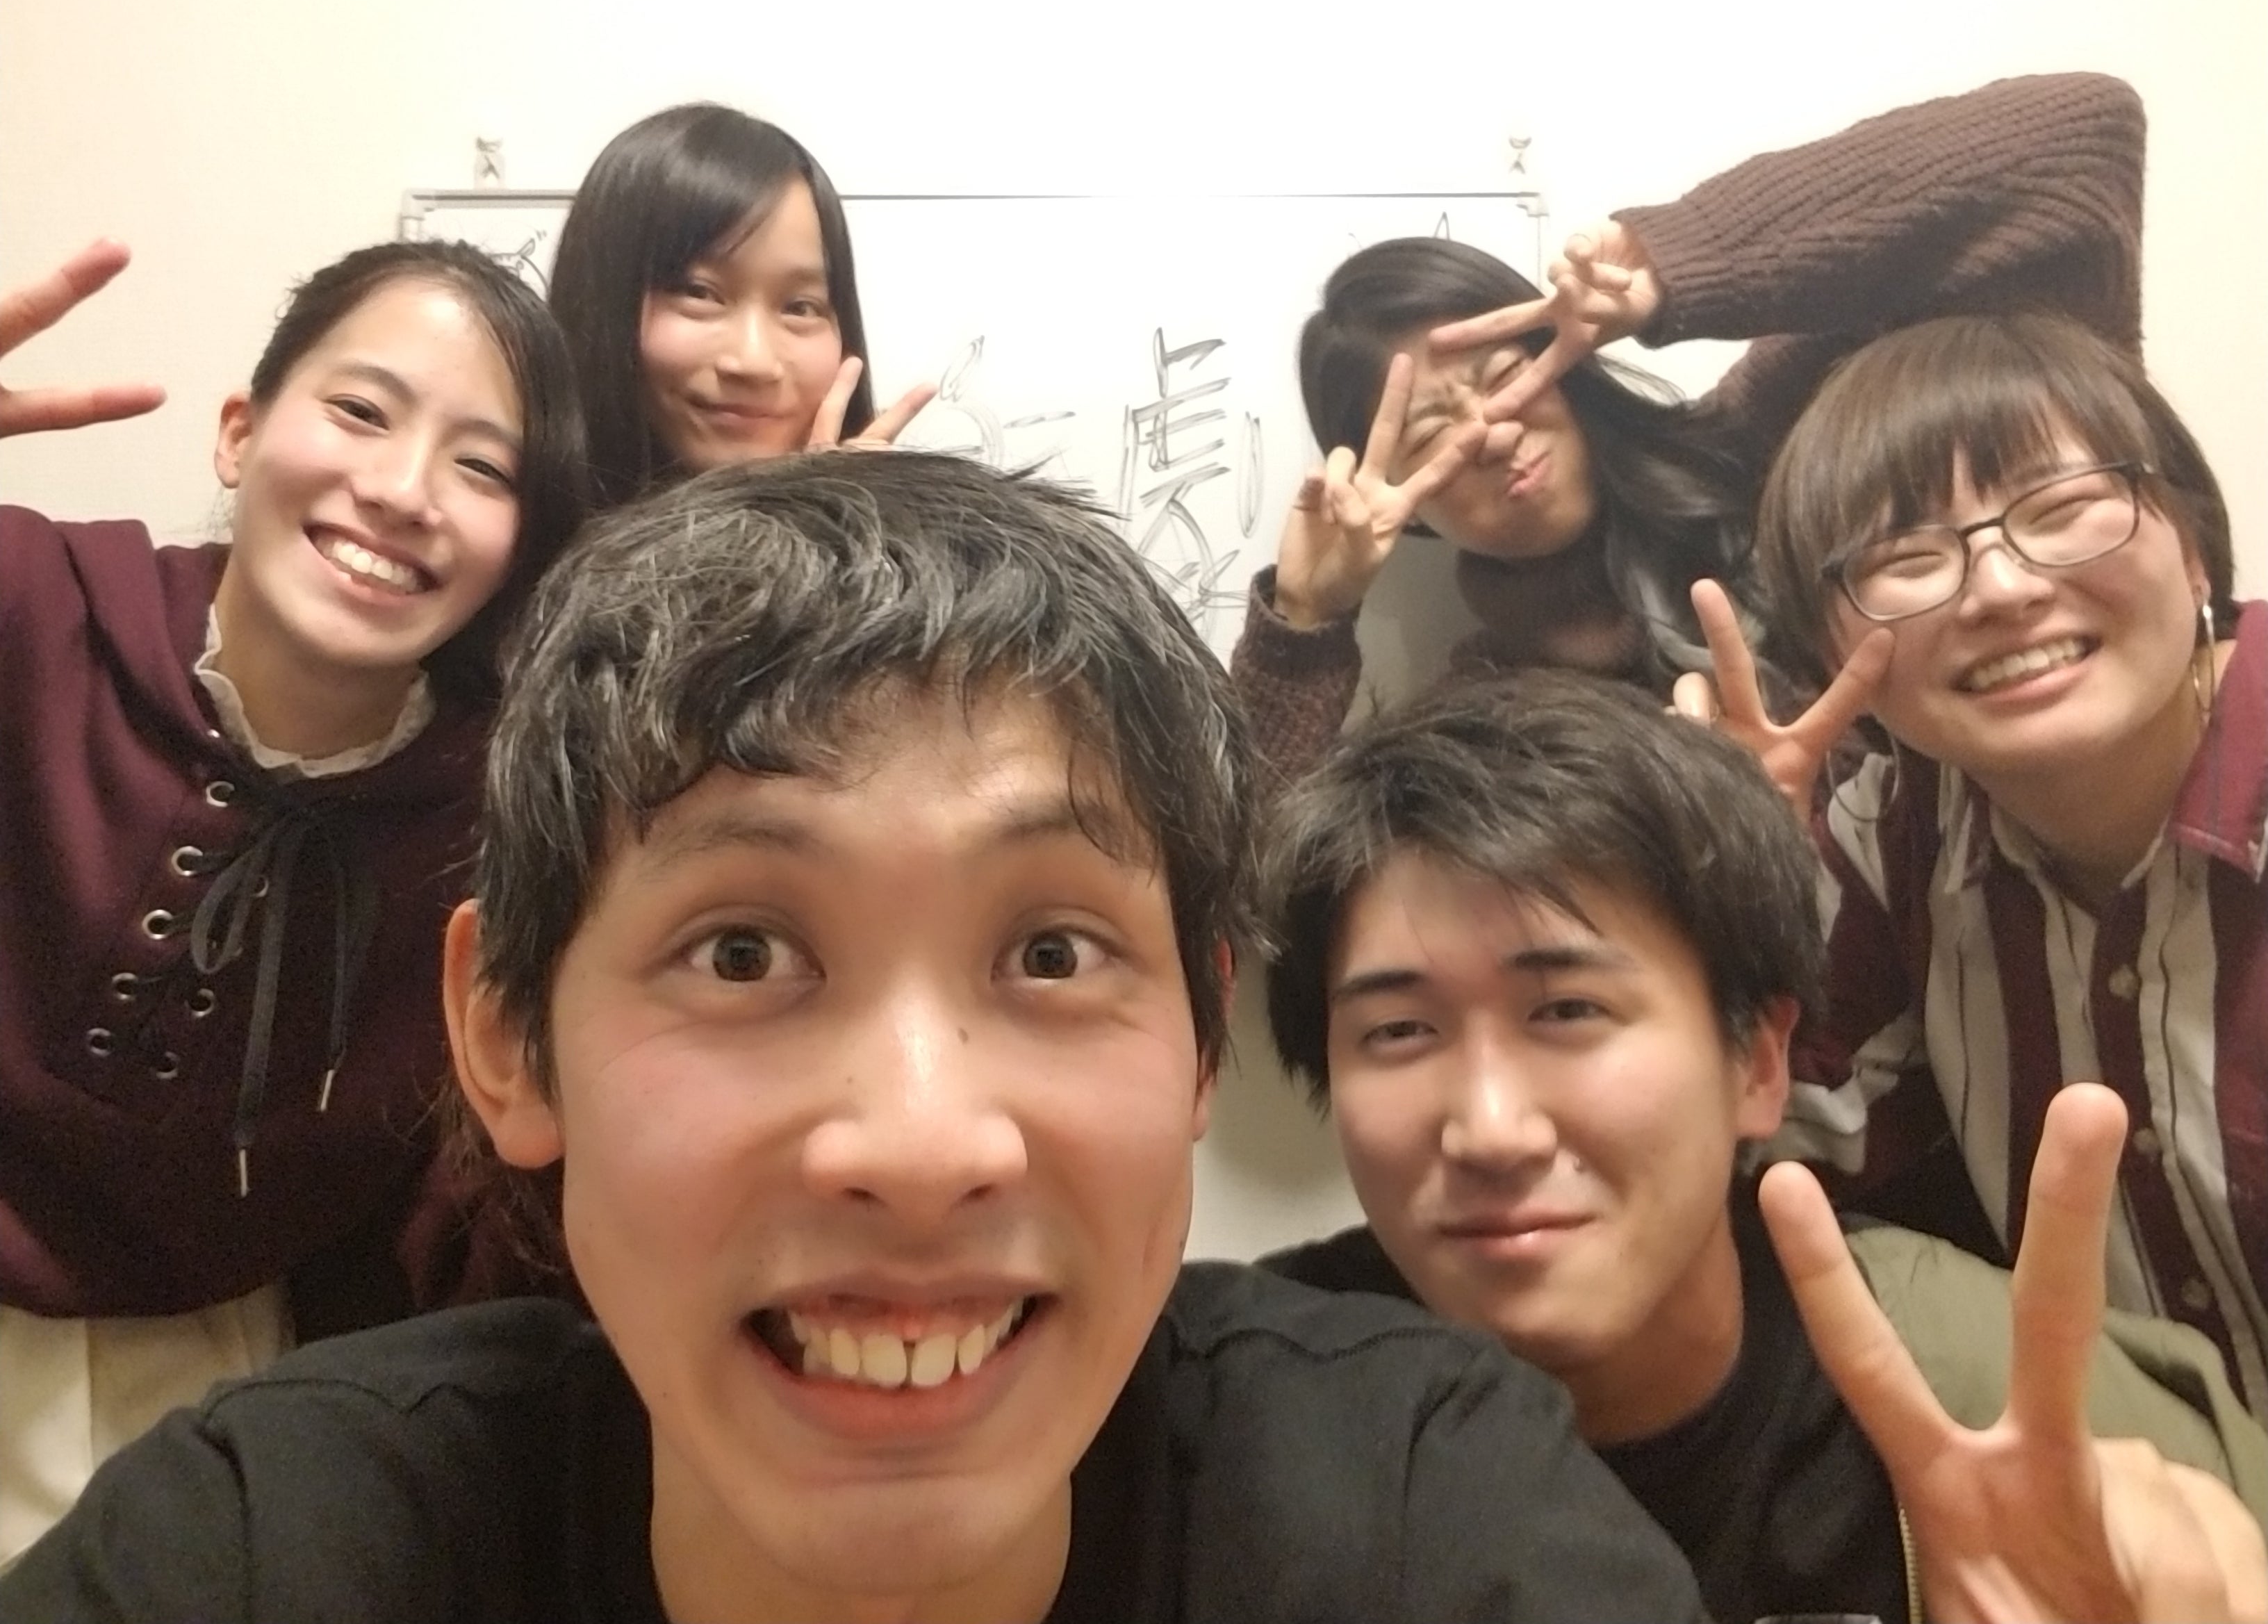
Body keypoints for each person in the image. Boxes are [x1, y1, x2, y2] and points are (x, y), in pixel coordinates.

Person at [0, 454, 1711, 1621]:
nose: (918, 1143)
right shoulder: (265, 1550)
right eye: (743, 951)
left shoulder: (1434, 1518)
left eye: (1051, 951)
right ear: (507, 1034)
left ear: (1200, 1040)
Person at [1258, 673, 2268, 1624]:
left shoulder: (2032, 1416)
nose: (1490, 1130)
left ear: (1758, 1061)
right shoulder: (1242, 1428)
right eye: (1400, 1031)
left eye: (1568, 1010)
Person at [0, 238, 590, 1565]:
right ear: (239, 431)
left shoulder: (509, 827)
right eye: (362, 410)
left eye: (482, 467)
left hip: (219, 1404)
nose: (402, 490)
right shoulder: (28, 602)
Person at [1665, 286, 2268, 1424]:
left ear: (2193, 551)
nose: (2001, 587)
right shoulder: (1892, 837)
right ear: (1832, 651)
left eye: (2063, 506)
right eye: (1904, 554)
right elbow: (1771, 1164)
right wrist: (1730, 898)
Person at [1230, 71, 2145, 790]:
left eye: (1505, 375)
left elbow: (2079, 146)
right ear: (1410, 513)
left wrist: (1674, 266)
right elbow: (1232, 892)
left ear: (1564, 359)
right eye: (1432, 433)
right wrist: (1307, 623)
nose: (1493, 432)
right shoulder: (1493, 726)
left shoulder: (1780, 434)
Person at [548, 102, 935, 507]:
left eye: (800, 308)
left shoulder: (895, 535)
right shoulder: (513, 533)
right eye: (699, 293)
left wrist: (851, 523)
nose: (754, 362)